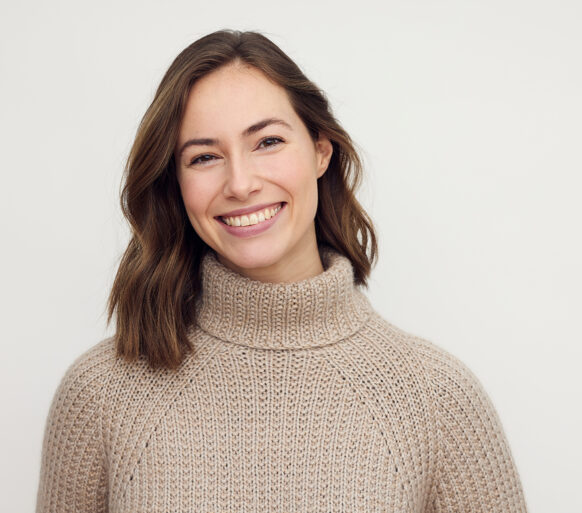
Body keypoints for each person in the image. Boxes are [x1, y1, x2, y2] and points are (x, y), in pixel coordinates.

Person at [35, 29, 528, 512]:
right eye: (204, 157)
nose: (241, 183)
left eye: (267, 142)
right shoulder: (100, 395)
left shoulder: (437, 400)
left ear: (320, 149)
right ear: (174, 184)